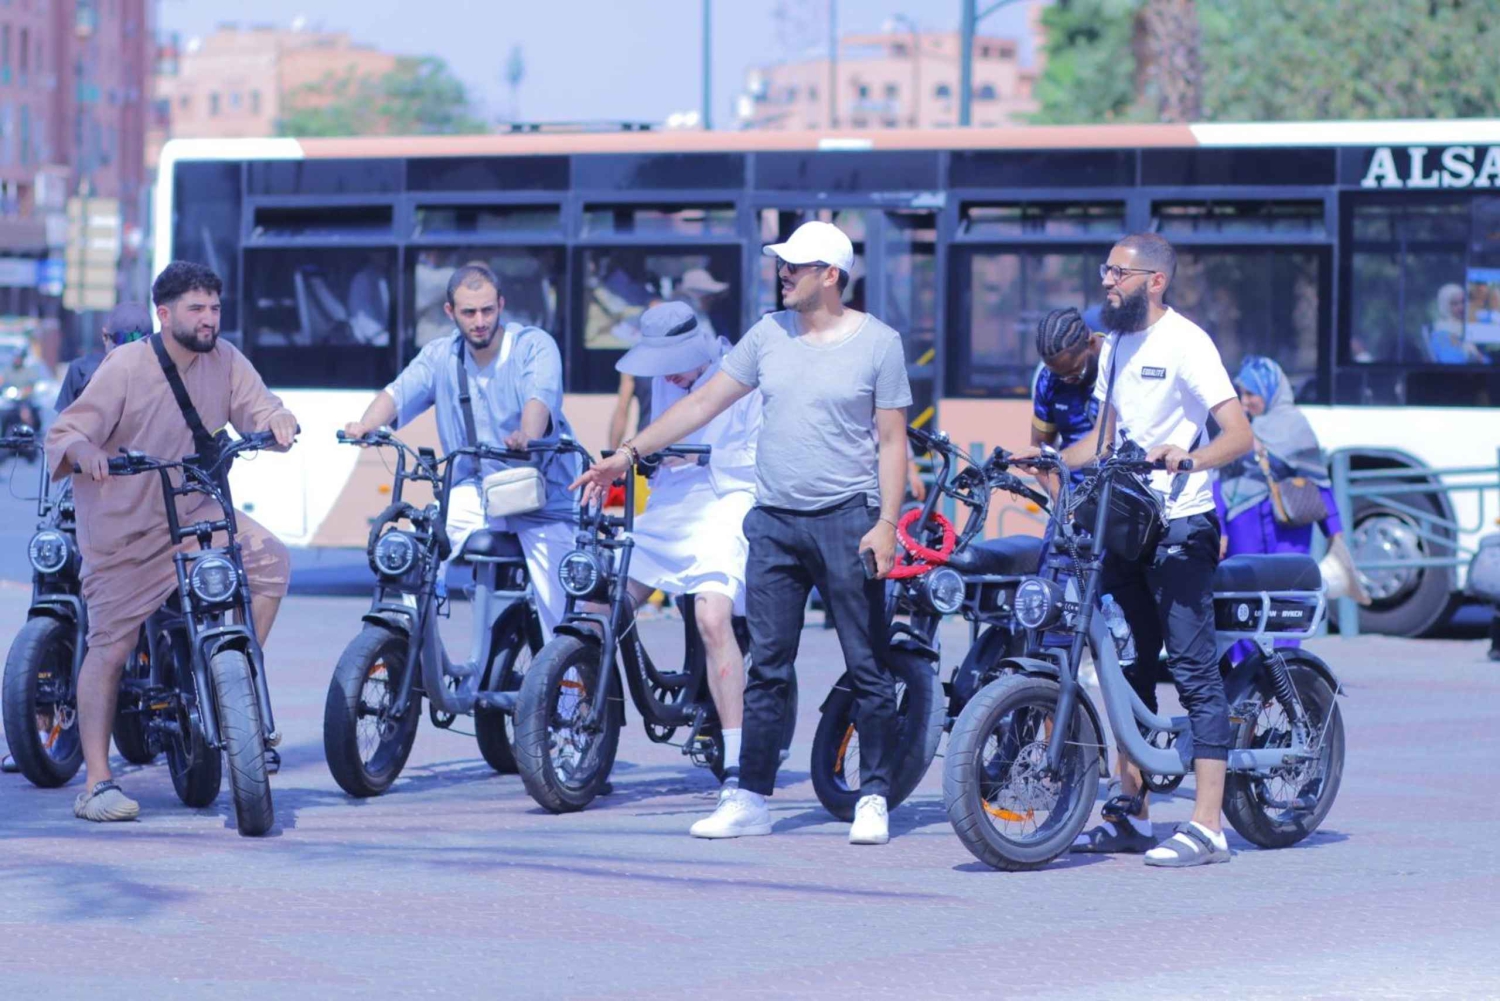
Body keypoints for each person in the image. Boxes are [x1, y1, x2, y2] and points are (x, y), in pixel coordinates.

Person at [572, 220, 913, 846]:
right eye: (781, 264)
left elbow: (892, 441)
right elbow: (701, 405)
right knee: (769, 667)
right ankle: (750, 795)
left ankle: (874, 795)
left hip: (847, 520)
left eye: (795, 266)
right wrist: (628, 453)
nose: (782, 274)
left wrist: (887, 524)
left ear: (831, 275)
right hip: (775, 521)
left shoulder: (879, 344)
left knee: (866, 664)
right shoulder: (767, 335)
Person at [1015, 233, 1254, 867]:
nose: (1105, 282)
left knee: (1195, 669)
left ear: (1154, 280)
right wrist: (1035, 464)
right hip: (1125, 528)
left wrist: (1188, 457)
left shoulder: (1187, 342)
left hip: (1181, 523)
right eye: (1104, 270)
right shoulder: (1116, 343)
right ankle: (1135, 813)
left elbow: (1239, 436)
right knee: (1128, 664)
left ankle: (1208, 827)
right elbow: (1101, 442)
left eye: (1116, 272)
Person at [43, 261, 298, 822]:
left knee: (272, 562)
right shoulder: (126, 366)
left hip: (195, 512)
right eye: (196, 310)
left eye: (214, 308)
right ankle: (98, 783)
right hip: (124, 530)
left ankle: (233, 694)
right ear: (164, 315)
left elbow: (262, 406)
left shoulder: (225, 358)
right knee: (109, 647)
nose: (209, 319)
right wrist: (86, 453)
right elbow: (65, 432)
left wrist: (279, 422)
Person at [343, 263, 578, 640]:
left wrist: (526, 435)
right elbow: (398, 392)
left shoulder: (534, 345)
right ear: (451, 312)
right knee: (419, 550)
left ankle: (569, 694)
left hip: (542, 498)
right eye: (469, 312)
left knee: (560, 614)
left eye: (488, 310)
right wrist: (367, 426)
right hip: (478, 490)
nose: (480, 321)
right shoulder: (440, 356)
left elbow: (541, 396)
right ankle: (404, 642)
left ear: (501, 305)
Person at [613, 301, 763, 789]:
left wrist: (695, 459)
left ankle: (741, 762)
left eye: (674, 365)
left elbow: (756, 460)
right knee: (603, 600)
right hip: (670, 504)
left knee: (712, 616)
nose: (667, 377)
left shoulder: (741, 373)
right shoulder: (664, 377)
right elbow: (658, 443)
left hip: (727, 499)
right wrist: (656, 460)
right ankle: (583, 720)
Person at [1215, 355, 1369, 661]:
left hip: (1289, 528)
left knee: (1288, 596)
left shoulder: (1296, 426)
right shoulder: (1235, 429)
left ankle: (1286, 666)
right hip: (1242, 526)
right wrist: (1219, 529)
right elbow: (1217, 481)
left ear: (1271, 391)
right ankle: (1248, 668)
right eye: (1240, 395)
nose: (1244, 402)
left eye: (1251, 394)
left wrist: (1334, 534)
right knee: (1245, 597)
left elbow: (1319, 481)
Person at [1030, 306, 1103, 494]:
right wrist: (1062, 503)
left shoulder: (1120, 369)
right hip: (1072, 496)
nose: (1067, 381)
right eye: (1059, 374)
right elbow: (1039, 448)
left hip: (1123, 501)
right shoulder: (1049, 380)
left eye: (1074, 372)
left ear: (1092, 343)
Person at [53, 302, 153, 413]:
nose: (128, 353)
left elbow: (62, 424)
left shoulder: (81, 371)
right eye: (122, 341)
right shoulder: (161, 375)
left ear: (105, 336)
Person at [1427, 283, 1487, 365]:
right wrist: (1473, 357)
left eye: (1463, 301)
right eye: (1454, 304)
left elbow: (1486, 361)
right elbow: (1450, 361)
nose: (1461, 307)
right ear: (1445, 306)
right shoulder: (1442, 331)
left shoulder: (1468, 326)